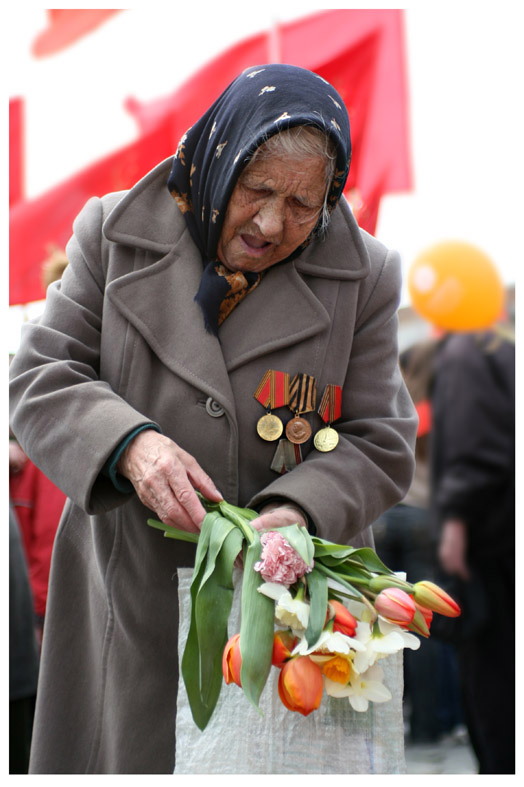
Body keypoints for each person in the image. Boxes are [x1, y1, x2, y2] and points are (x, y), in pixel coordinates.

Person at [9, 64, 417, 774]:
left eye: (301, 203)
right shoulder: (111, 232)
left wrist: (297, 508)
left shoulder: (368, 274)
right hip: (128, 606)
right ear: (219, 159)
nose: (271, 223)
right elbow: (41, 375)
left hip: (286, 624)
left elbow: (381, 439)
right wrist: (130, 446)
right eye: (256, 190)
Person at [431, 327, 515, 774]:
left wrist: (455, 524)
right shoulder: (506, 351)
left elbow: (472, 444)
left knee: (490, 670)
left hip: (488, 536)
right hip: (504, 530)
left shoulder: (468, 350)